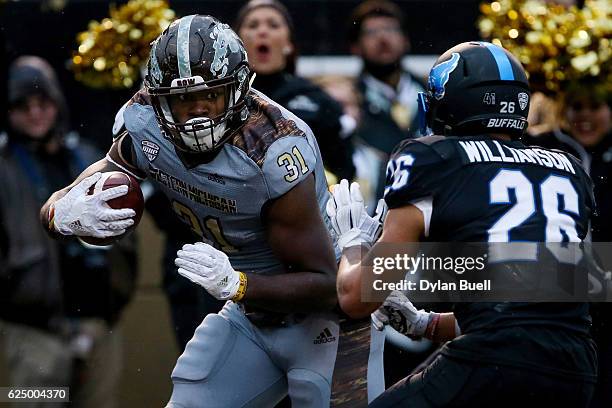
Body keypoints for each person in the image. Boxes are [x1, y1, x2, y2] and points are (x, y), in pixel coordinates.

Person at [39, 15, 339, 408]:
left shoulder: (273, 147)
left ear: (240, 89)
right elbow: (100, 175)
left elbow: (324, 284)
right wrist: (59, 212)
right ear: (159, 99)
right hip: (250, 315)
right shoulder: (145, 120)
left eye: (210, 96)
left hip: (327, 321)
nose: (198, 113)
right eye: (182, 100)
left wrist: (239, 285)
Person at [328, 42, 598, 406]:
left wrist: (353, 245)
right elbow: (540, 305)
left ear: (451, 102)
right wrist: (428, 324)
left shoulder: (432, 158)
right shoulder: (568, 169)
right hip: (575, 368)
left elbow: (358, 297)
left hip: (494, 360)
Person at [0, 56, 137, 408]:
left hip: (98, 326)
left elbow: (127, 231)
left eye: (42, 103)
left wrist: (118, 291)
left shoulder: (87, 155)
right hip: (34, 333)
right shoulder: (3, 168)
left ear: (56, 105)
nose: (35, 114)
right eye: (23, 105)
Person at [523, 79, 611, 408]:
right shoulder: (540, 147)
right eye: (576, 107)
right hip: (553, 298)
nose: (585, 116)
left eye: (595, 107)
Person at [235, 0, 355, 182]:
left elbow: (343, 170)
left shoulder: (318, 101)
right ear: (237, 42)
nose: (262, 31)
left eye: (273, 25)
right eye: (253, 25)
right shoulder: (222, 99)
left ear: (289, 44)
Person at [348, 0, 426, 201]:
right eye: (371, 32)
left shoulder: (434, 94)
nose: (383, 38)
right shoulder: (347, 101)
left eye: (390, 29)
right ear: (356, 47)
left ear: (406, 40)